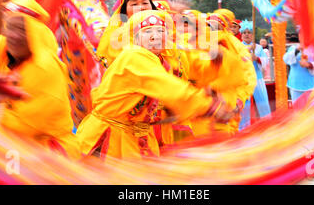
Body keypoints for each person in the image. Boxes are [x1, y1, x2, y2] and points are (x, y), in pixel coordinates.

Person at [76, 10, 235, 160]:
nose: (155, 36)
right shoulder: (134, 56)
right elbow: (170, 88)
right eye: (147, 32)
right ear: (136, 38)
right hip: (110, 139)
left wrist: (205, 94)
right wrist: (209, 106)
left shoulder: (160, 61)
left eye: (160, 31)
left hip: (137, 137)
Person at [0, 0, 79, 159]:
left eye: (23, 29)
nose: (14, 35)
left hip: (45, 151)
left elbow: (25, 126)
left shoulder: (45, 67)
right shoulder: (3, 44)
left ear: (35, 33)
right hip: (9, 140)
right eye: (10, 27)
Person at [96, 0, 157, 67]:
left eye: (145, 3)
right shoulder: (118, 37)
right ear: (124, 11)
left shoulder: (165, 31)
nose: (141, 7)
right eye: (134, 4)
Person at [239, 20, 271, 130]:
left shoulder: (258, 47)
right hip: (244, 80)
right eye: (244, 32)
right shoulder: (237, 47)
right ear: (241, 34)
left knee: (263, 103)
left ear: (252, 34)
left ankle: (267, 126)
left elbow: (265, 62)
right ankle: (243, 128)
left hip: (258, 79)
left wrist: (256, 58)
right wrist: (247, 54)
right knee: (244, 105)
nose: (247, 34)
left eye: (249, 32)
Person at [283, 36, 314, 107]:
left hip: (310, 84)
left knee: (311, 109)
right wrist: (297, 50)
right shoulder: (293, 48)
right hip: (295, 83)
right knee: (297, 110)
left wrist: (309, 65)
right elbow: (285, 59)